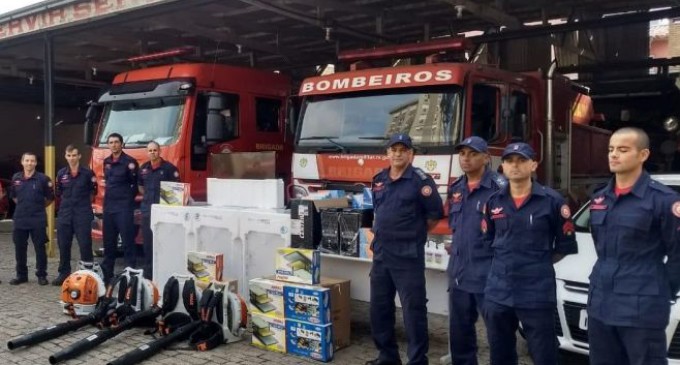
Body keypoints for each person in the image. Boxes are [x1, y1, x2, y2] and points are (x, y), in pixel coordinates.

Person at [587, 127, 680, 365]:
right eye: (611, 149)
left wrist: (657, 288)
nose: (614, 155)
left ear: (643, 155)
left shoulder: (663, 200)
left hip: (642, 309)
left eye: (623, 149)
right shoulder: (599, 199)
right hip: (601, 304)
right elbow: (600, 245)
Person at [482, 142, 577, 365]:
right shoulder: (493, 202)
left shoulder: (553, 201)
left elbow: (563, 246)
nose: (515, 166)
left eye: (521, 160)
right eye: (509, 161)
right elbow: (489, 241)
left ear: (533, 164)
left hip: (536, 292)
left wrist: (536, 262)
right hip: (499, 291)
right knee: (500, 351)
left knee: (544, 353)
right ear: (503, 166)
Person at [366, 133, 444, 365]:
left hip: (408, 255)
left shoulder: (421, 181)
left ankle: (417, 360)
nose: (398, 153)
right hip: (381, 254)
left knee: (413, 312)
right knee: (379, 309)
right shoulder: (379, 179)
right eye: (394, 149)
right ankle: (387, 357)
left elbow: (434, 215)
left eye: (403, 149)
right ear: (388, 153)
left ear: (411, 154)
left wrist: (412, 234)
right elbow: (378, 212)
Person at [446, 136, 505, 365]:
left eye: (473, 154)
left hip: (488, 273)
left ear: (486, 158)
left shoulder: (499, 188)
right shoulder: (456, 188)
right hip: (459, 272)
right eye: (462, 154)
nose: (466, 158)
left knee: (498, 334)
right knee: (460, 333)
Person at [52, 145, 98, 286]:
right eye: (69, 155)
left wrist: (82, 206)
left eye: (74, 155)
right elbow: (58, 193)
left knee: (85, 244)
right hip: (65, 215)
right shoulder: (61, 174)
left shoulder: (88, 173)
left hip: (82, 214)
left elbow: (93, 193)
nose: (71, 158)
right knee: (64, 245)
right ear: (66, 156)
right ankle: (64, 273)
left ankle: (88, 274)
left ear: (79, 156)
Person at [9, 152, 54, 285]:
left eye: (32, 161)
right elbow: (14, 196)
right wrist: (24, 206)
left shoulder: (43, 179)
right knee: (20, 248)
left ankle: (41, 275)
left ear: (35, 163)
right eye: (27, 160)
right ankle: (21, 275)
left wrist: (37, 207)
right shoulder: (16, 178)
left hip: (37, 219)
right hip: (20, 218)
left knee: (40, 247)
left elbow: (50, 198)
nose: (29, 163)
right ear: (22, 162)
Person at [138, 141, 179, 280]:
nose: (152, 153)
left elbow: (176, 190)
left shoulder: (169, 168)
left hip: (165, 214)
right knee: (148, 244)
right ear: (147, 152)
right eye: (150, 150)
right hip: (147, 211)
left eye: (155, 150)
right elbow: (141, 188)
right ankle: (149, 273)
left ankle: (166, 272)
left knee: (165, 243)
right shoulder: (143, 168)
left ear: (160, 151)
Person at [101, 132, 139, 284]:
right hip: (109, 207)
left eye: (117, 142)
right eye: (111, 142)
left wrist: (127, 199)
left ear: (121, 144)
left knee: (128, 242)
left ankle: (131, 275)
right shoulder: (106, 162)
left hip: (124, 207)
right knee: (108, 243)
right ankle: (107, 274)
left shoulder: (130, 162)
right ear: (108, 145)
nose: (114, 145)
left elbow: (135, 184)